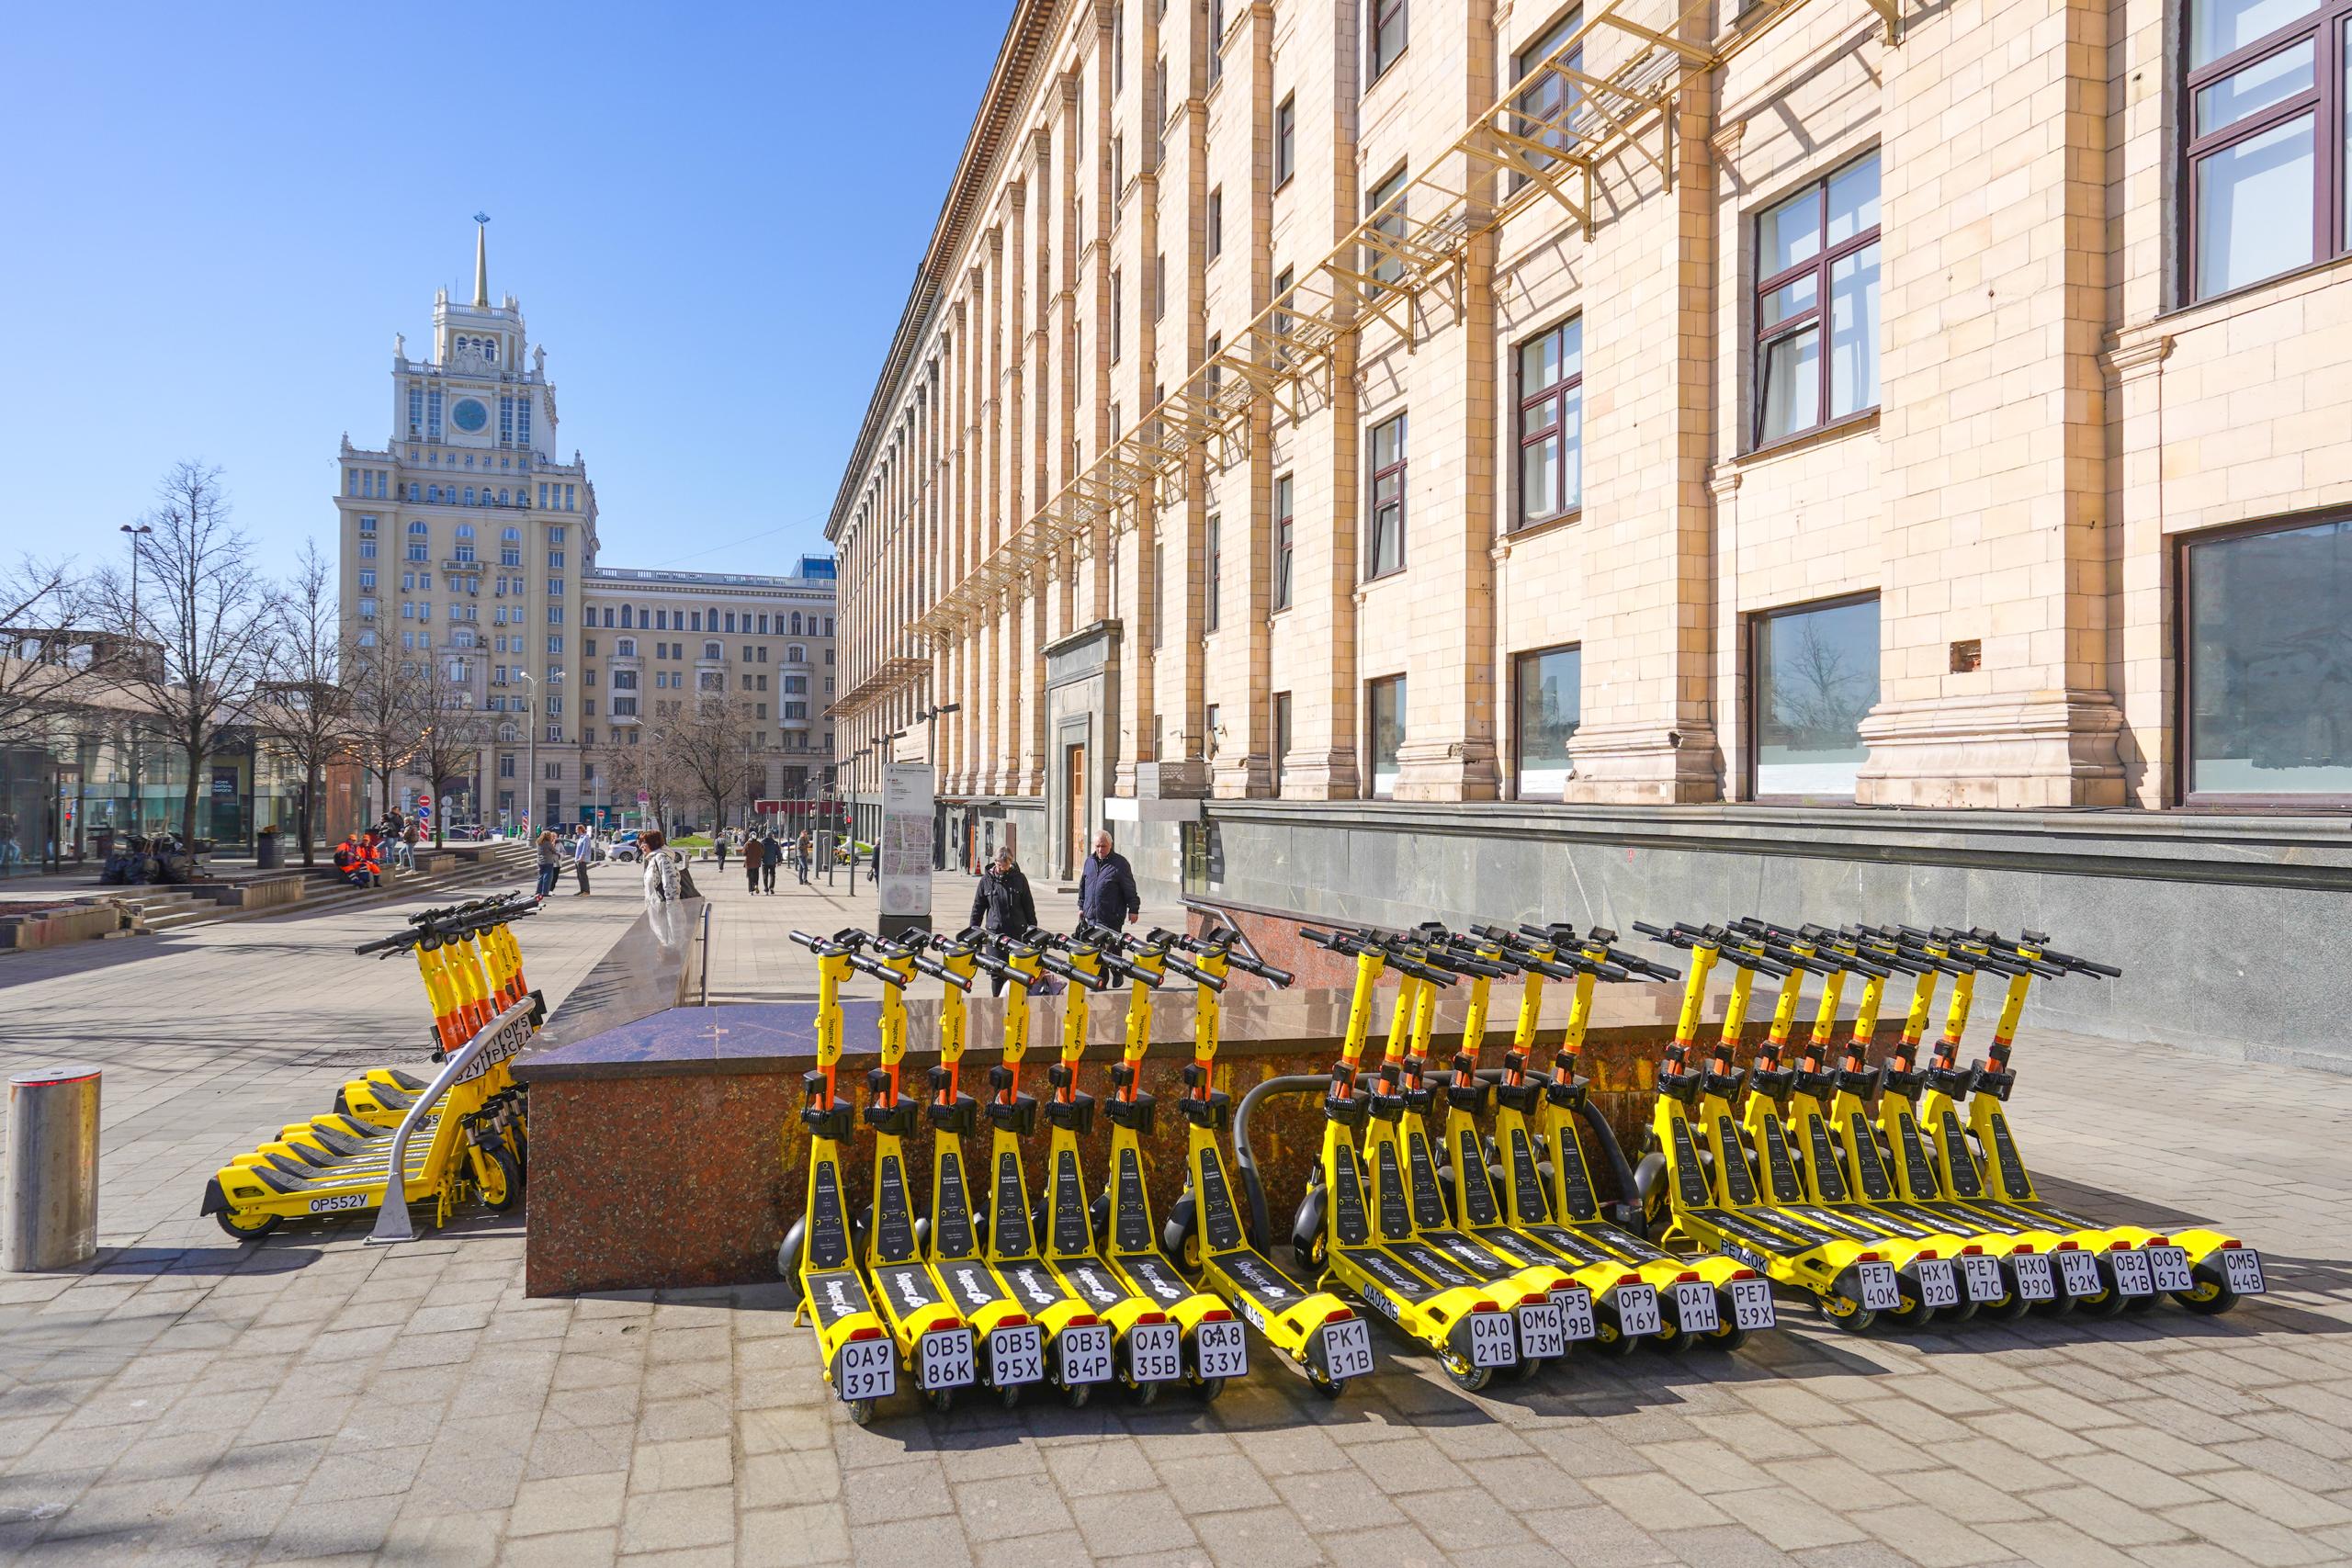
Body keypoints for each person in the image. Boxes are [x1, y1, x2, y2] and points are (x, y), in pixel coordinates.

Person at [969, 846, 1038, 994]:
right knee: (997, 974)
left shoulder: (1019, 879)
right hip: (995, 935)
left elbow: (1029, 907)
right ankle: (998, 1004)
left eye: (1005, 865)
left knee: (1018, 973)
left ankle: (1016, 1004)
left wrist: (1033, 931)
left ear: (1010, 863)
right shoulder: (986, 880)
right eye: (999, 865)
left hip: (1017, 934)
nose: (1002, 868)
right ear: (995, 862)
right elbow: (978, 908)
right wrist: (973, 932)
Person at [1078, 830, 1139, 931]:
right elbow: (1083, 886)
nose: (1100, 850)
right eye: (1097, 846)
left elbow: (1130, 889)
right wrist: (1081, 907)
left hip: (1111, 920)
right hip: (1090, 919)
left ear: (1110, 845)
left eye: (1103, 846)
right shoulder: (1089, 862)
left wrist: (1133, 910)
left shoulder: (1120, 863)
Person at [535, 829, 561, 899]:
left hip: (540, 862)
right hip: (548, 862)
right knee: (547, 877)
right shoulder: (548, 843)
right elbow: (554, 850)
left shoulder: (538, 842)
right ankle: (545, 892)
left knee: (541, 877)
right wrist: (559, 854)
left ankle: (538, 892)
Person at [572, 822, 594, 896]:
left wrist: (581, 857)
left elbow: (584, 849)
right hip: (578, 859)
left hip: (582, 860)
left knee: (583, 875)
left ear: (580, 830)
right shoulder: (580, 838)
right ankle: (582, 890)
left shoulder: (586, 838)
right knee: (579, 876)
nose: (576, 831)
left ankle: (586, 891)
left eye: (576, 829)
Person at [743, 831, 763, 896]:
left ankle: (751, 891)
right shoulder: (759, 844)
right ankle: (756, 884)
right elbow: (762, 852)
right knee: (756, 875)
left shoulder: (747, 844)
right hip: (757, 863)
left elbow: (744, 853)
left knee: (750, 877)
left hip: (749, 863)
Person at [761, 830, 781, 894]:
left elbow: (760, 852)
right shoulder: (775, 843)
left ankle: (766, 889)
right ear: (772, 835)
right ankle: (771, 887)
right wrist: (779, 860)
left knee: (765, 875)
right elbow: (778, 853)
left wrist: (760, 859)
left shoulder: (762, 843)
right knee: (772, 875)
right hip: (772, 862)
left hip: (764, 862)